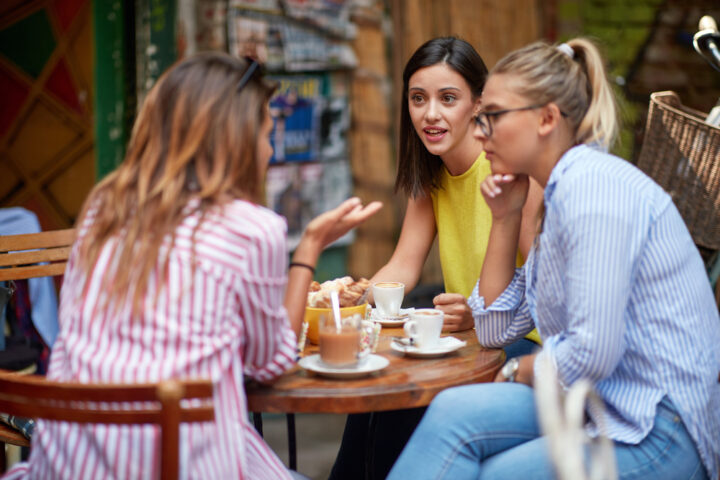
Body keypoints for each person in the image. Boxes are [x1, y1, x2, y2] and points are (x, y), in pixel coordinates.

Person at [3, 52, 381, 480]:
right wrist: (308, 249)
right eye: (264, 132)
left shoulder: (103, 207)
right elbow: (269, 363)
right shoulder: (252, 229)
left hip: (70, 464)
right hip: (178, 462)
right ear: (235, 140)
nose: (269, 148)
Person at [387, 38, 720, 480]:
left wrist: (513, 370)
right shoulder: (555, 194)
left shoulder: (592, 192)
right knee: (452, 411)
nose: (480, 131)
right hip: (595, 399)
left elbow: (590, 353)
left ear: (547, 119)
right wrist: (504, 218)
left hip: (654, 425)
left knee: (492, 474)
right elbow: (494, 328)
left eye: (494, 117)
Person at [329, 37, 543, 480]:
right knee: (374, 384)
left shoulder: (508, 170)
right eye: (418, 99)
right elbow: (403, 266)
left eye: (448, 99)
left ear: (478, 104)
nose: (431, 114)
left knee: (406, 405)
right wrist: (350, 298)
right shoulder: (432, 174)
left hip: (525, 344)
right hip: (467, 341)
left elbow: (548, 287)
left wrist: (482, 313)